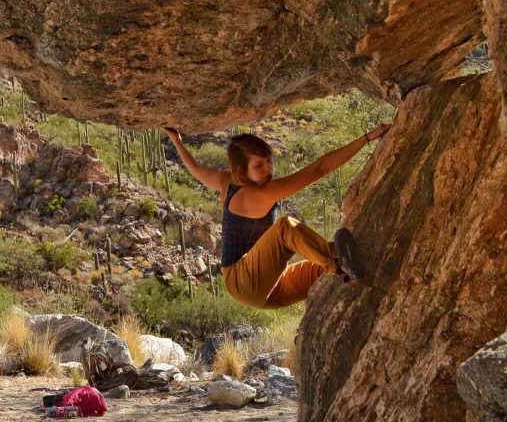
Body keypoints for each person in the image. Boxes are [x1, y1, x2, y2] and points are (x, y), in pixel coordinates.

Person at [161, 124, 390, 309]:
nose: (268, 169)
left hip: (271, 285)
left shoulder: (225, 181)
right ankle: (338, 261)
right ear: (241, 170)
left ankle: (345, 269)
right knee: (285, 228)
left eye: (268, 161)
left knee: (330, 266)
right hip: (244, 281)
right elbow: (320, 168)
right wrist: (366, 138)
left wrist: (177, 141)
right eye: (259, 165)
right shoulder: (259, 193)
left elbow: (198, 170)